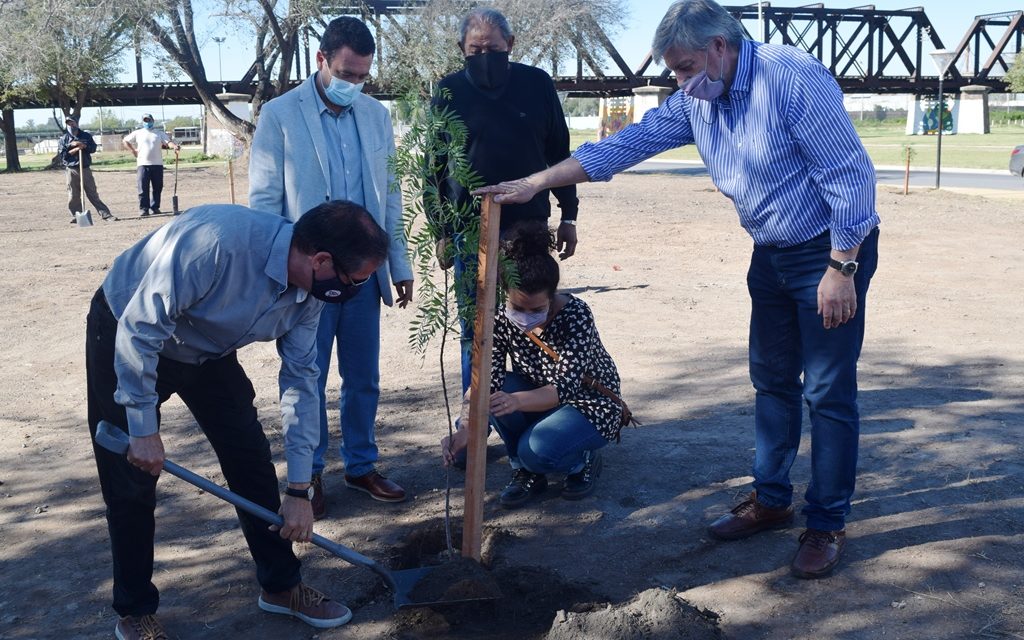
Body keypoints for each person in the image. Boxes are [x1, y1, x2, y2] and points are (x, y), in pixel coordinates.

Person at [474, 0, 880, 578]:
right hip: (770, 252)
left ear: (720, 46)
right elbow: (622, 148)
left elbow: (851, 175)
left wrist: (842, 268)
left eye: (686, 67)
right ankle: (770, 499)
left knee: (828, 391)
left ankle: (826, 524)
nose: (679, 81)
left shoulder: (792, 77)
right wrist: (537, 181)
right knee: (770, 379)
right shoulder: (698, 97)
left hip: (829, 249)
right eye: (673, 71)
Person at [87, 200, 389, 639]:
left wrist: (300, 489)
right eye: (356, 281)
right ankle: (135, 610)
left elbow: (302, 384)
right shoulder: (215, 244)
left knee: (249, 455)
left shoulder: (312, 292)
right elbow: (141, 326)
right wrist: (143, 428)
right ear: (321, 260)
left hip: (206, 348)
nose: (357, 291)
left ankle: (282, 586)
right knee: (130, 478)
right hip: (126, 325)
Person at [249, 16, 414, 518]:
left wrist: (398, 263)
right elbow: (264, 203)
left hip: (363, 274)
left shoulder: (375, 116)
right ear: (321, 60)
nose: (354, 85)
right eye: (347, 73)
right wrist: (279, 274)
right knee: (306, 377)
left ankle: (361, 466)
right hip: (310, 278)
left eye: (363, 76)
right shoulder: (279, 115)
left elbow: (389, 197)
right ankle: (310, 474)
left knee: (363, 376)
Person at [432, 8, 579, 395]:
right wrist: (441, 232)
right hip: (469, 229)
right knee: (476, 329)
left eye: (493, 48)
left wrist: (569, 216)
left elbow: (560, 154)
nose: (485, 57)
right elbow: (434, 167)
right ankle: (472, 427)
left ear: (510, 45)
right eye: (475, 49)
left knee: (533, 318)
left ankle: (531, 408)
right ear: (461, 48)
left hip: (529, 227)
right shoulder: (447, 92)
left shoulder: (537, 84)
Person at [442, 222, 627, 508]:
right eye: (518, 308)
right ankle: (524, 469)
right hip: (534, 395)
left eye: (537, 310)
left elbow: (564, 388)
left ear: (552, 297)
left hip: (588, 403)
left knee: (537, 450)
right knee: (493, 392)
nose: (526, 317)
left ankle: (581, 459)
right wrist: (466, 426)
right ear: (505, 294)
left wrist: (514, 402)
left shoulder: (576, 315)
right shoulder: (499, 317)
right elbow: (484, 380)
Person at [122, 114, 180, 217]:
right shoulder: (138, 133)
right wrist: (133, 151)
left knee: (157, 187)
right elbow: (125, 140)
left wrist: (174, 146)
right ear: (142, 121)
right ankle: (144, 209)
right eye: (145, 120)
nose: (147, 122)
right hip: (143, 164)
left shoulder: (159, 133)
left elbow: (168, 142)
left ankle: (155, 207)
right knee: (143, 188)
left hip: (157, 164)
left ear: (153, 120)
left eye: (149, 120)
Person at [59, 116, 113, 223]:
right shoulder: (63, 139)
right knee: (73, 195)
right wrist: (74, 147)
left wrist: (84, 146)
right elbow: (63, 156)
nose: (71, 125)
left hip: (85, 168)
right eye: (68, 123)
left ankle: (106, 214)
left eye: (72, 123)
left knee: (92, 193)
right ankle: (76, 215)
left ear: (77, 123)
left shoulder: (86, 136)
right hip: (72, 169)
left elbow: (93, 149)